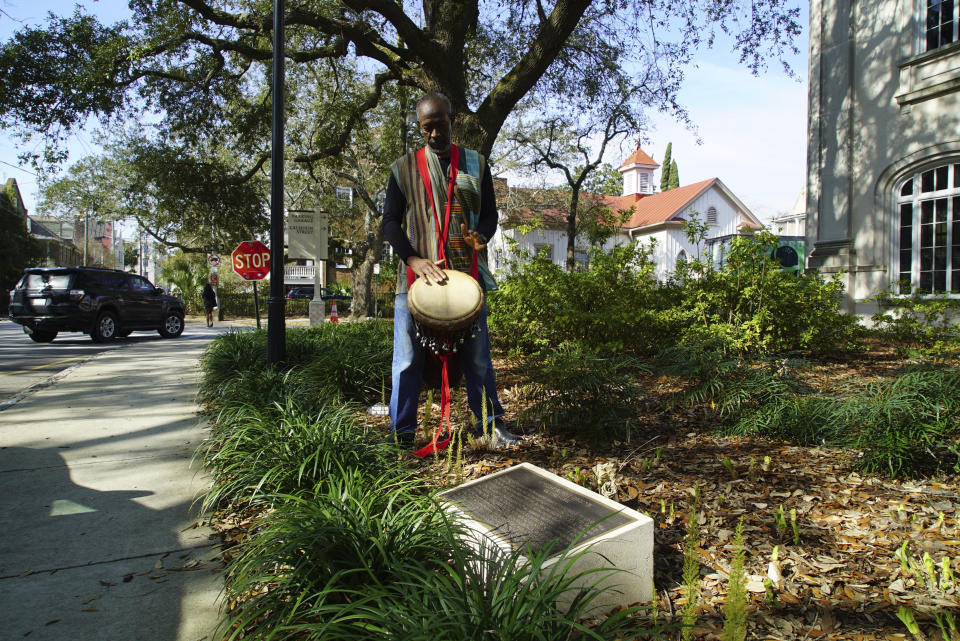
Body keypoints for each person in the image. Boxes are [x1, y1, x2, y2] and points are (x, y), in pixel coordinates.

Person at [381, 92, 520, 449]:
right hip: (414, 281)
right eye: (426, 128)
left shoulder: (476, 163)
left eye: (439, 126)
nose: (432, 135)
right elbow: (391, 223)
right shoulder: (403, 169)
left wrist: (482, 235)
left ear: (452, 121)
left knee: (478, 358)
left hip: (466, 278)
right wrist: (413, 259)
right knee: (407, 360)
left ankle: (490, 425)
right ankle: (403, 435)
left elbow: (489, 214)